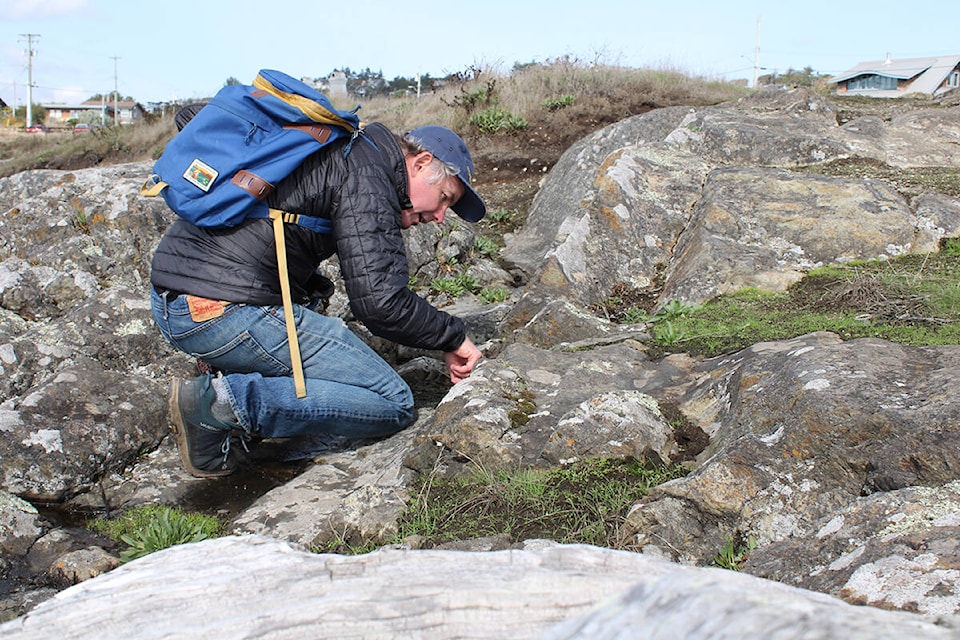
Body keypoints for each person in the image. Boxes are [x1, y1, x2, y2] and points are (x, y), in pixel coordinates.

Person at [150, 119, 485, 478]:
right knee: (394, 402)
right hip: (219, 310)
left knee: (314, 303)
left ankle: (227, 384)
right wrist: (452, 337)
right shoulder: (368, 175)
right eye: (445, 199)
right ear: (420, 163)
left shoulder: (350, 149)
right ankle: (219, 404)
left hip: (178, 299)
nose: (439, 217)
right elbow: (379, 302)